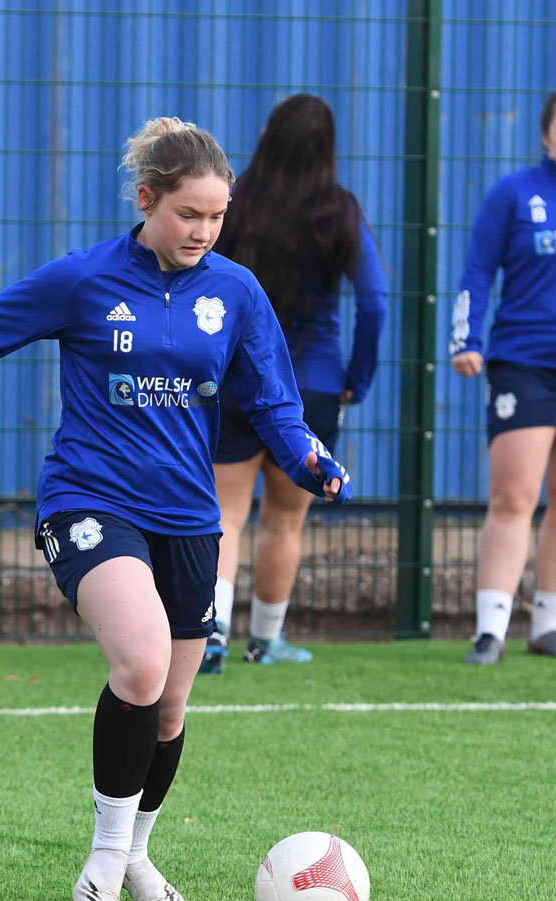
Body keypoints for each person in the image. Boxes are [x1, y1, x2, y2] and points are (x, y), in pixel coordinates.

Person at [0, 117, 351, 901]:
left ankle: (138, 854)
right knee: (141, 662)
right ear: (147, 200)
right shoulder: (85, 280)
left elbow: (273, 401)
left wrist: (308, 458)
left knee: (168, 709)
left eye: (216, 216)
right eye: (187, 214)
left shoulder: (235, 292)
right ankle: (104, 852)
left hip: (190, 516)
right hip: (89, 502)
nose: (202, 231)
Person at [203, 93, 385, 672]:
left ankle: (210, 634)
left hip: (234, 379)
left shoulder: (234, 205)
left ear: (264, 133)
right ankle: (266, 641)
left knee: (223, 514)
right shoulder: (341, 210)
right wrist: (358, 375)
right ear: (328, 149)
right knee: (285, 519)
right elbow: (376, 302)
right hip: (314, 387)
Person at [449, 85, 556, 666]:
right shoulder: (513, 194)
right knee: (514, 495)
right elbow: (477, 272)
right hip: (524, 363)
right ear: (546, 136)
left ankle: (548, 628)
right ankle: (489, 631)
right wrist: (466, 339)